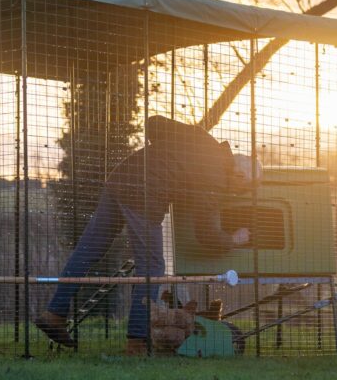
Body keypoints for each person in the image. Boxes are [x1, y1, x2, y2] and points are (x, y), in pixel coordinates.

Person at [35, 116, 252, 353]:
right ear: (239, 174)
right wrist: (234, 239)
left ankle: (54, 314)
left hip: (121, 178)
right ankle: (137, 341)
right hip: (144, 194)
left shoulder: (202, 138)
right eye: (245, 188)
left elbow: (154, 123)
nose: (239, 193)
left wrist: (166, 152)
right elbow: (206, 234)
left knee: (89, 250)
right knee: (152, 267)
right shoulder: (216, 178)